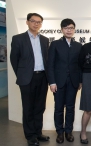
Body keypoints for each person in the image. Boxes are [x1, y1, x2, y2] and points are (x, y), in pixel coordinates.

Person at [10, 13, 50, 146]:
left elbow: (46, 59)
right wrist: (22, 74)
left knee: (40, 107)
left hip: (42, 76)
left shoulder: (44, 40)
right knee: (28, 108)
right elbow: (14, 59)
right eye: (33, 21)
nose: (36, 24)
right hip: (27, 78)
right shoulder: (18, 39)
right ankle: (30, 135)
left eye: (39, 22)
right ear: (27, 22)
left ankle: (38, 132)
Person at [47, 18, 82, 144]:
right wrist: (52, 82)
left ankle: (68, 131)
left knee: (71, 108)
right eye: (66, 28)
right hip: (58, 82)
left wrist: (80, 81)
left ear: (74, 30)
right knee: (59, 108)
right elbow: (50, 64)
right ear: (62, 29)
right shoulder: (55, 44)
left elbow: (79, 65)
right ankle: (60, 133)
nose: (69, 30)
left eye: (71, 28)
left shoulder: (78, 45)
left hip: (73, 82)